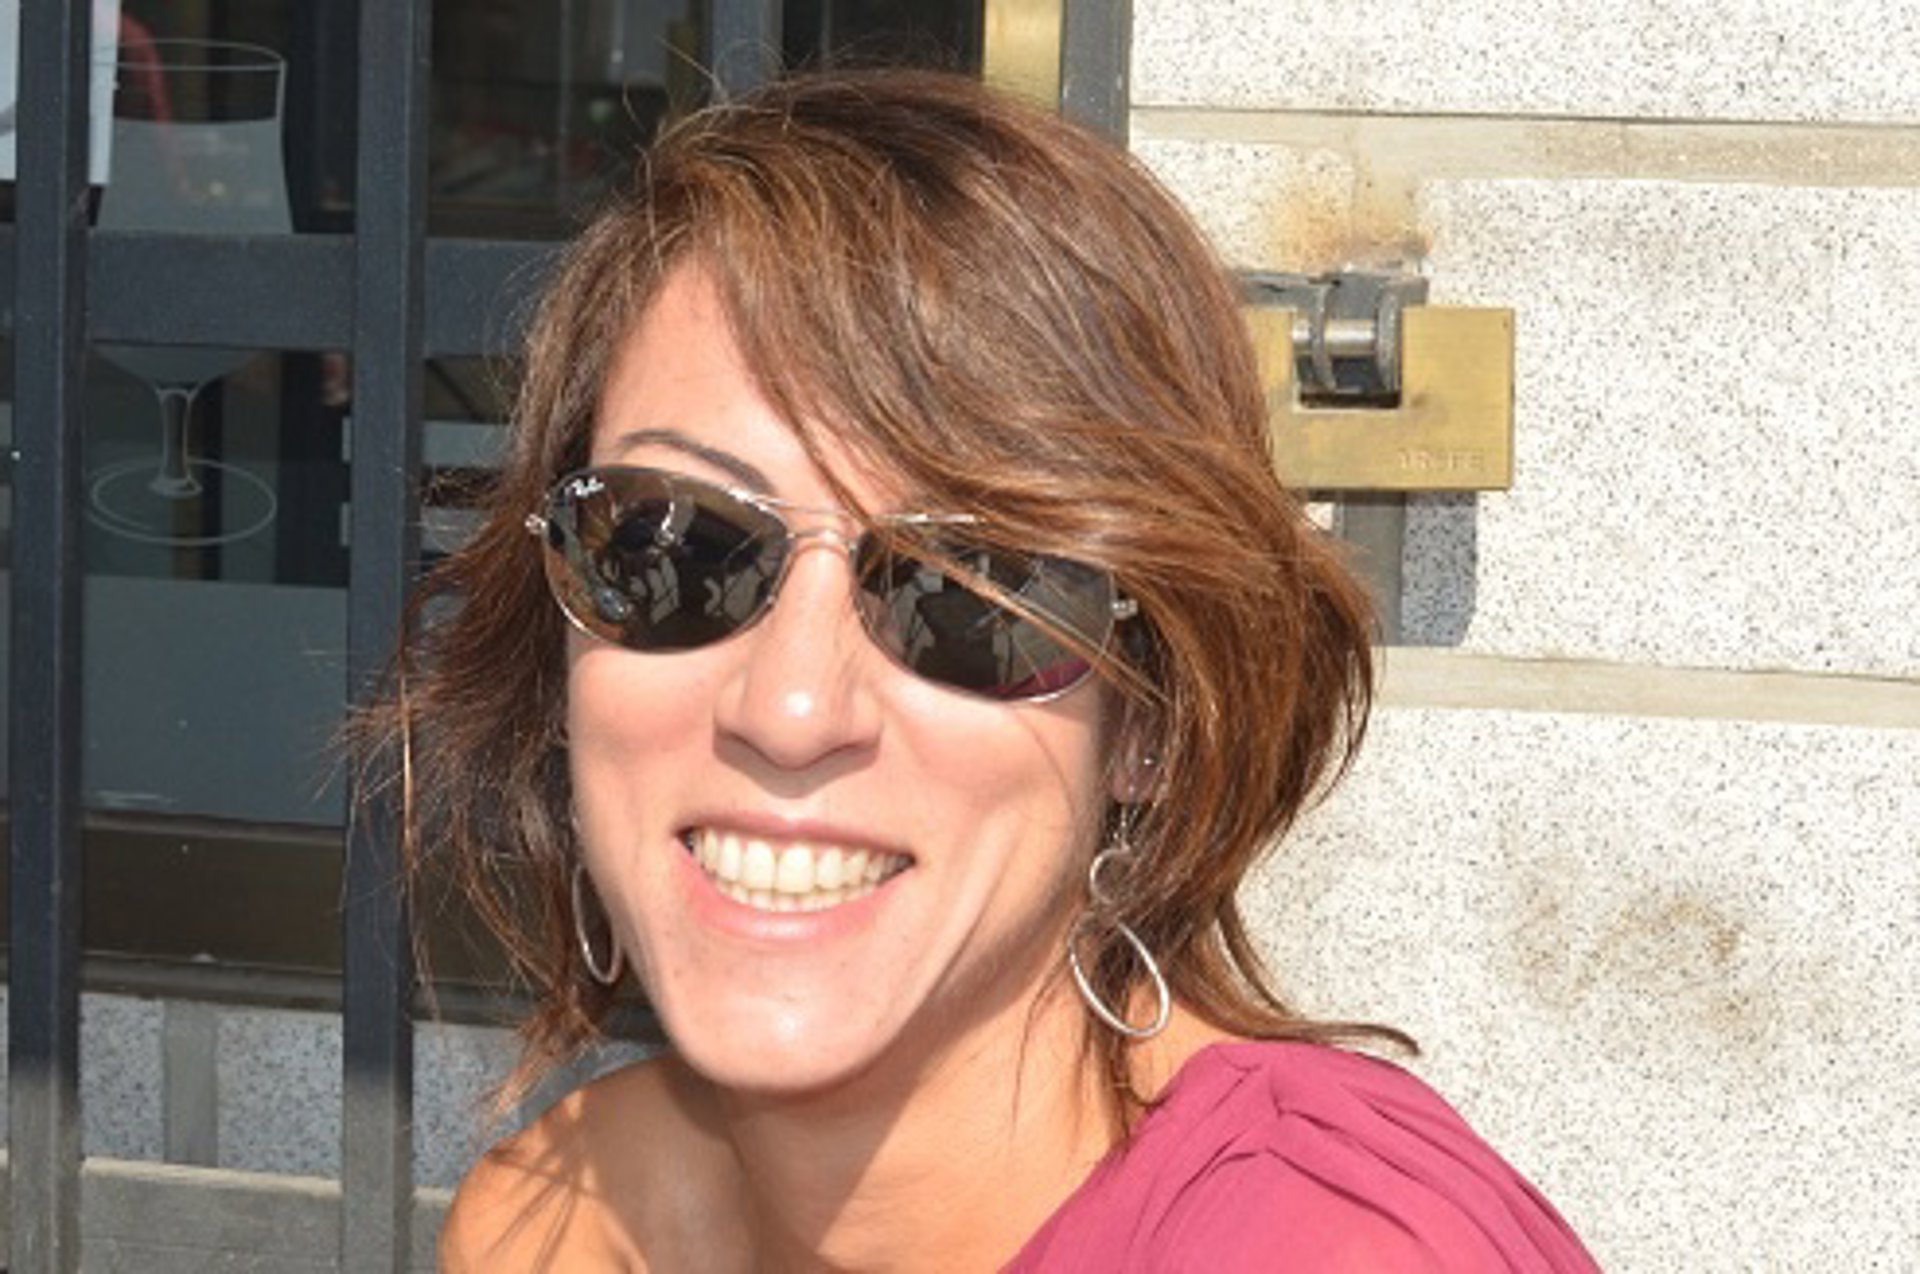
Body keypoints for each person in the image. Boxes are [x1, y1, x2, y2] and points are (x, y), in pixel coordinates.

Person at [383, 69, 1600, 1270]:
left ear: (1151, 723)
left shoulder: (1334, 1246)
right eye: (677, 548)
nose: (792, 707)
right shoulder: (558, 1227)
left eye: (969, 591)